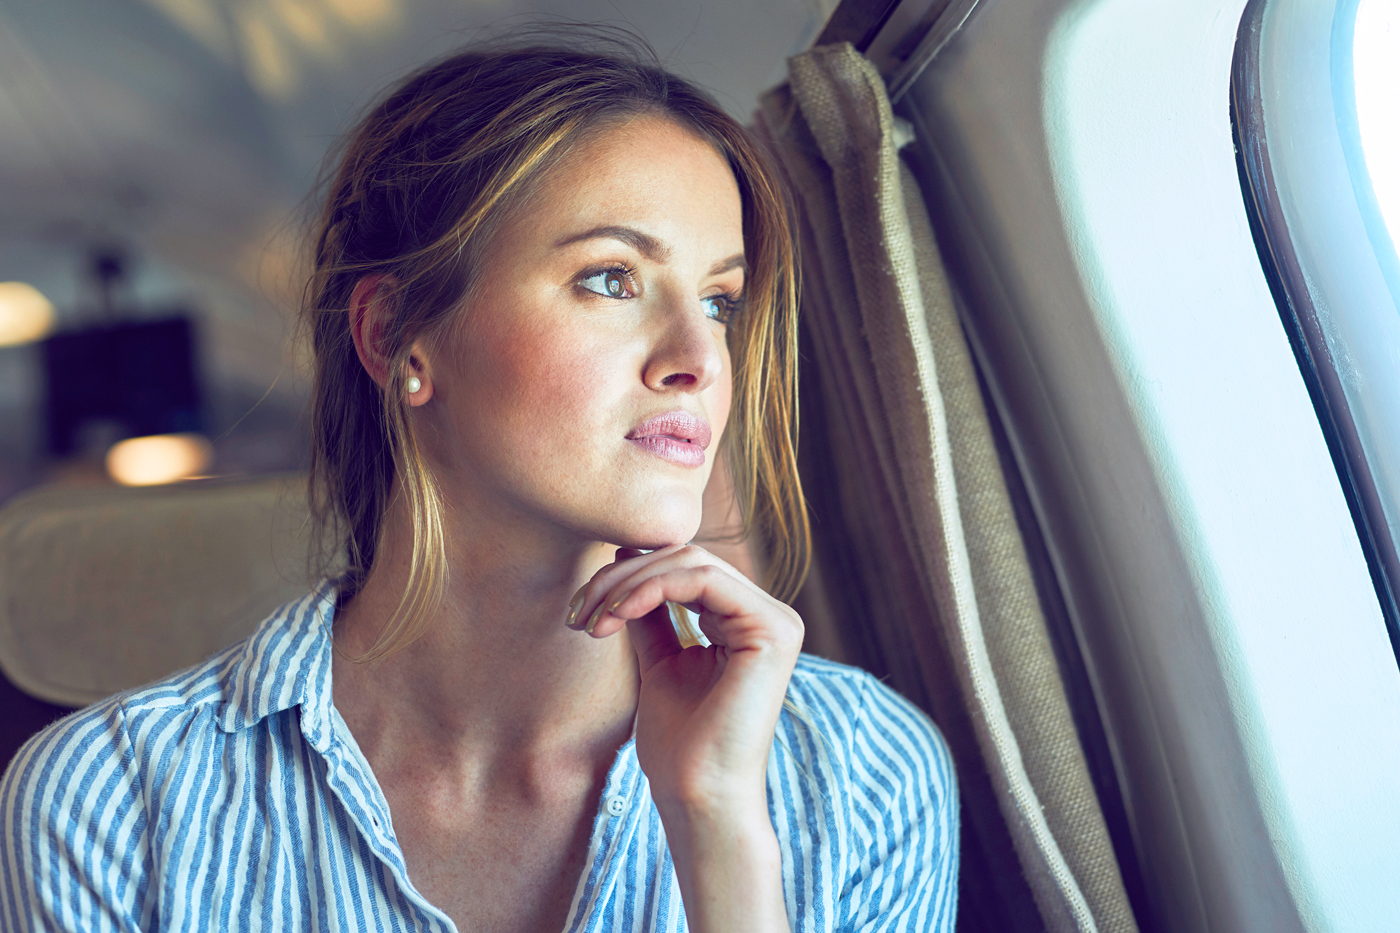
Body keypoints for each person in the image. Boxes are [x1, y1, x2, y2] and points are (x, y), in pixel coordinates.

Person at [0, 35, 958, 932]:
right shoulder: (110, 802)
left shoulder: (863, 771)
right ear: (394, 339)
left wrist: (720, 833)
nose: (698, 357)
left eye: (720, 301)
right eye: (612, 279)